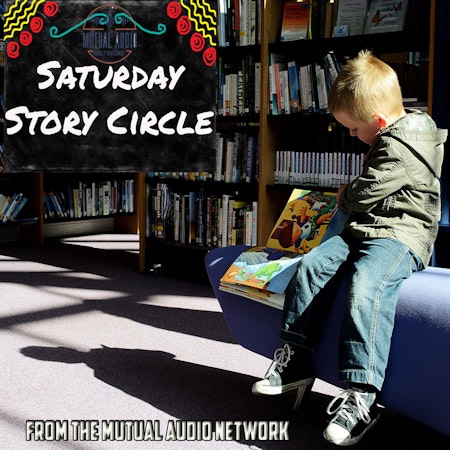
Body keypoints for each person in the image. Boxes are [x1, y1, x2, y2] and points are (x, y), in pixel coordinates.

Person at [252, 50, 447, 446]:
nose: (353, 136)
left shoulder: (403, 146)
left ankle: (363, 395)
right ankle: (296, 359)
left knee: (366, 286)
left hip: (401, 235)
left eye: (355, 129)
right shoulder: (389, 134)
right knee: (312, 266)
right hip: (366, 228)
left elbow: (366, 191)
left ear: (378, 121)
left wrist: (343, 194)